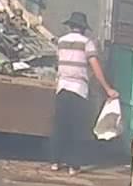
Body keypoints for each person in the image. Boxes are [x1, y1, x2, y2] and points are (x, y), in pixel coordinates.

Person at [49, 11, 118, 176]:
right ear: (83, 28)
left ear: (70, 26)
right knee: (77, 129)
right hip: (78, 90)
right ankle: (73, 165)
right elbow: (95, 66)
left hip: (62, 89)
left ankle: (55, 161)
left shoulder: (61, 42)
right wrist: (108, 89)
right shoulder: (87, 43)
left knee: (60, 126)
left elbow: (59, 64)